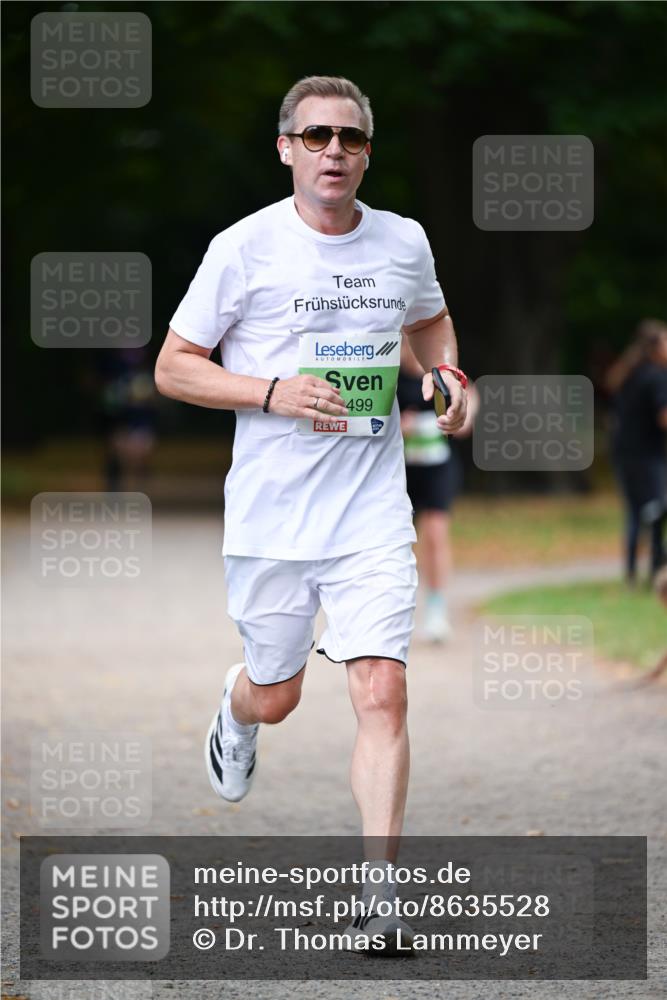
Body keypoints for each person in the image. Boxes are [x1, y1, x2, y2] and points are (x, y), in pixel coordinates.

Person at [155, 75, 467, 951]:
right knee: (280, 695)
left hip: (370, 509)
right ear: (286, 147)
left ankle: (381, 898)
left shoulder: (402, 241)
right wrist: (270, 391)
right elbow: (174, 368)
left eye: (352, 137)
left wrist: (447, 378)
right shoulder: (242, 248)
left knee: (382, 689)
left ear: (368, 150)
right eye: (317, 135)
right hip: (272, 517)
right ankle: (236, 706)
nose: (335, 150)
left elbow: (432, 324)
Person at [398, 339, 477, 641]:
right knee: (399, 540)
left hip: (438, 469)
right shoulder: (390, 379)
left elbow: (468, 415)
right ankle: (397, 608)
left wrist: (459, 414)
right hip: (400, 472)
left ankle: (436, 608)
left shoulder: (445, 376)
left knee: (435, 533)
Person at [606, 319, 667, 584]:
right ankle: (657, 570)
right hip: (648, 456)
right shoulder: (656, 377)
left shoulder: (629, 373)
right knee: (655, 511)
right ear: (655, 347)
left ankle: (631, 573)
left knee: (634, 513)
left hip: (624, 453)